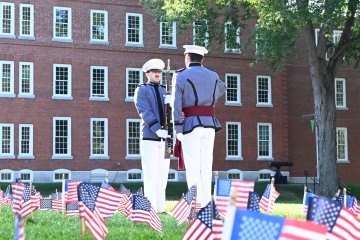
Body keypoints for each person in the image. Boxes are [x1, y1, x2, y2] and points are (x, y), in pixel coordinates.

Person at [172, 45, 226, 208]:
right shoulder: (213, 75)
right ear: (202, 58)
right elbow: (223, 88)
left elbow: (176, 104)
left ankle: (194, 204)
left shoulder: (181, 75)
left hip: (190, 124)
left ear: (187, 57)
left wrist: (178, 128)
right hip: (210, 123)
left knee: (193, 166)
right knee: (206, 165)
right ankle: (206, 203)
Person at [134, 58, 170, 213]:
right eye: (154, 71)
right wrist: (156, 128)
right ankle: (150, 208)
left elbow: (172, 114)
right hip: (150, 137)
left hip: (166, 139)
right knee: (150, 174)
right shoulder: (141, 90)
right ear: (147, 74)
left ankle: (161, 208)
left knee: (162, 176)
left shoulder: (165, 90)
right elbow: (144, 111)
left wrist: (173, 101)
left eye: (159, 72)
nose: (157, 74)